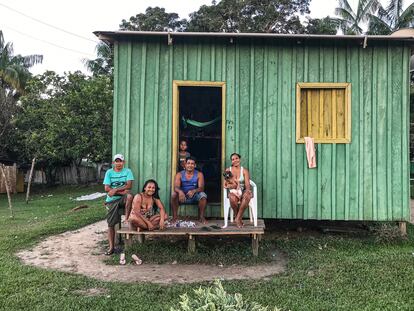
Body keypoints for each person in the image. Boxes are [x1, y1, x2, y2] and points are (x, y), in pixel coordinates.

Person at [103, 154, 134, 255]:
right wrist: (121, 191)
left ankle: (127, 219)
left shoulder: (127, 171)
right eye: (116, 161)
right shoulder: (109, 172)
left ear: (123, 162)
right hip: (111, 200)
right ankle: (111, 247)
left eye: (120, 161)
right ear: (113, 163)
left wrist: (115, 189)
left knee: (129, 196)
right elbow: (107, 188)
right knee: (110, 224)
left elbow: (129, 185)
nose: (118, 163)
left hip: (123, 199)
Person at [171, 156, 208, 223]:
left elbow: (201, 188)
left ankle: (201, 217)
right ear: (185, 164)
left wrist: (194, 191)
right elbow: (176, 187)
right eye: (188, 163)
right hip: (182, 197)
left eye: (192, 164)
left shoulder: (199, 174)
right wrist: (180, 192)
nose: (190, 165)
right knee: (174, 194)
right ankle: (175, 217)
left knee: (203, 195)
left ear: (195, 165)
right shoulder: (179, 174)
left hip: (194, 196)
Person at [226, 153, 252, 228]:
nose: (235, 160)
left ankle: (237, 218)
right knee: (232, 198)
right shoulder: (228, 170)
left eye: (236, 158)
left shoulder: (244, 171)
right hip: (233, 191)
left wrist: (247, 190)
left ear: (239, 159)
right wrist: (232, 186)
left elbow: (247, 184)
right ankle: (238, 218)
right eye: (233, 159)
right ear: (231, 161)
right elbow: (226, 184)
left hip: (242, 190)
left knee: (248, 195)